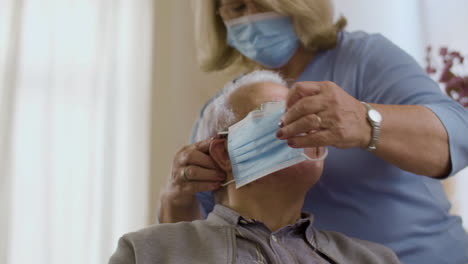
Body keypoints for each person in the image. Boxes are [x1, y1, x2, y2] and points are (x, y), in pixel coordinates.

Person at [158, 0, 468, 263]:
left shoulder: (365, 59)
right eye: (237, 6)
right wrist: (176, 198)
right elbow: (196, 242)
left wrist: (363, 120)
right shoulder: (222, 109)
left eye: (264, 3)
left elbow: (458, 136)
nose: (250, 17)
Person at [110, 71, 401, 264]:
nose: (307, 123)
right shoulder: (147, 252)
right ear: (224, 152)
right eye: (279, 112)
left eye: (307, 113)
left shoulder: (373, 259)